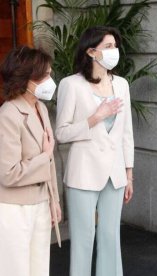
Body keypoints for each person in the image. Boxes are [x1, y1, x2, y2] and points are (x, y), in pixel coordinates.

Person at [55, 26, 134, 276]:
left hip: (115, 174)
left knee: (111, 237)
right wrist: (94, 118)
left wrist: (129, 174)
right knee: (83, 238)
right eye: (108, 46)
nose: (114, 51)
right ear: (91, 51)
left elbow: (126, 133)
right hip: (83, 174)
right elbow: (62, 133)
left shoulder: (121, 84)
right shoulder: (71, 84)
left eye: (115, 46)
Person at [0, 46, 61, 276]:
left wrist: (53, 199)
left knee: (39, 269)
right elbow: (8, 173)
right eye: (45, 75)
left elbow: (50, 162)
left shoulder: (41, 108)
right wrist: (43, 156)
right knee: (15, 271)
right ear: (26, 79)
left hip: (40, 203)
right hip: (15, 209)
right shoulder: (8, 114)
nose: (50, 80)